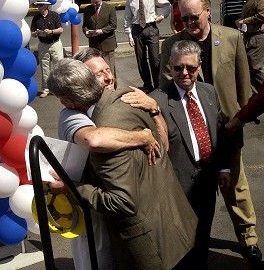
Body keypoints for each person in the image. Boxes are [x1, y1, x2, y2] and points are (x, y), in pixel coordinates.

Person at [48, 58, 197, 270]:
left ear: (68, 102)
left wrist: (72, 187)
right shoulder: (131, 97)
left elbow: (121, 203)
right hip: (176, 223)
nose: (108, 76)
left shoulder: (106, 139)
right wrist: (147, 127)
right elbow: (163, 149)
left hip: (150, 246)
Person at [159, 0, 262, 267]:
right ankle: (192, 241)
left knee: (235, 187)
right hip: (190, 132)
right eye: (184, 18)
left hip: (226, 128)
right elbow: (164, 92)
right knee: (194, 192)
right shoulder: (171, 46)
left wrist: (240, 119)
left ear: (208, 11)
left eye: (194, 17)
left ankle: (248, 238)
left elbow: (243, 84)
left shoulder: (230, 38)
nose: (189, 24)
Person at [57, 48, 162, 270]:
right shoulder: (72, 115)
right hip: (94, 213)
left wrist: (154, 109)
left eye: (108, 69)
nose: (108, 77)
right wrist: (141, 136)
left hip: (131, 212)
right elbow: (94, 140)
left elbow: (162, 147)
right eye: (97, 74)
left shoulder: (125, 100)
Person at [149, 40, 231, 269]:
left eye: (191, 68)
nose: (184, 73)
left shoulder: (208, 92)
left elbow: (219, 132)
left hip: (207, 181)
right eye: (178, 68)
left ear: (199, 66)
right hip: (176, 186)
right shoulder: (158, 100)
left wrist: (223, 168)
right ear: (171, 66)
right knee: (181, 247)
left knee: (203, 235)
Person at [124, 0, 171, 92]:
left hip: (151, 28)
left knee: (154, 58)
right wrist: (129, 35)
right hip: (137, 30)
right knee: (141, 60)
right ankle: (147, 85)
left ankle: (158, 85)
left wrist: (162, 16)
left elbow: (167, 5)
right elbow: (127, 17)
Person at [31, 0, 64, 98]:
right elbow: (32, 32)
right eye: (38, 5)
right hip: (42, 44)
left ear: (46, 6)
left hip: (55, 43)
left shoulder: (54, 15)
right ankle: (46, 89)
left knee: (58, 66)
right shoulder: (36, 17)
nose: (38, 7)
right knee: (45, 67)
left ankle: (60, 87)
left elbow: (61, 29)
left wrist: (51, 31)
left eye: (40, 5)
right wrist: (35, 33)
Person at [82, 0, 117, 77]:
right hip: (94, 45)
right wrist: (86, 31)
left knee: (109, 68)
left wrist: (101, 31)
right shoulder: (87, 9)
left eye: (97, 2)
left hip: (107, 44)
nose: (95, 4)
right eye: (93, 2)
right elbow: (84, 25)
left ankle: (112, 86)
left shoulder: (110, 8)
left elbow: (113, 25)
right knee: (97, 69)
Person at [235, 0, 264, 90]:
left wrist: (244, 21)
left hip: (257, 36)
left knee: (256, 68)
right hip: (251, 36)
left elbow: (262, 15)